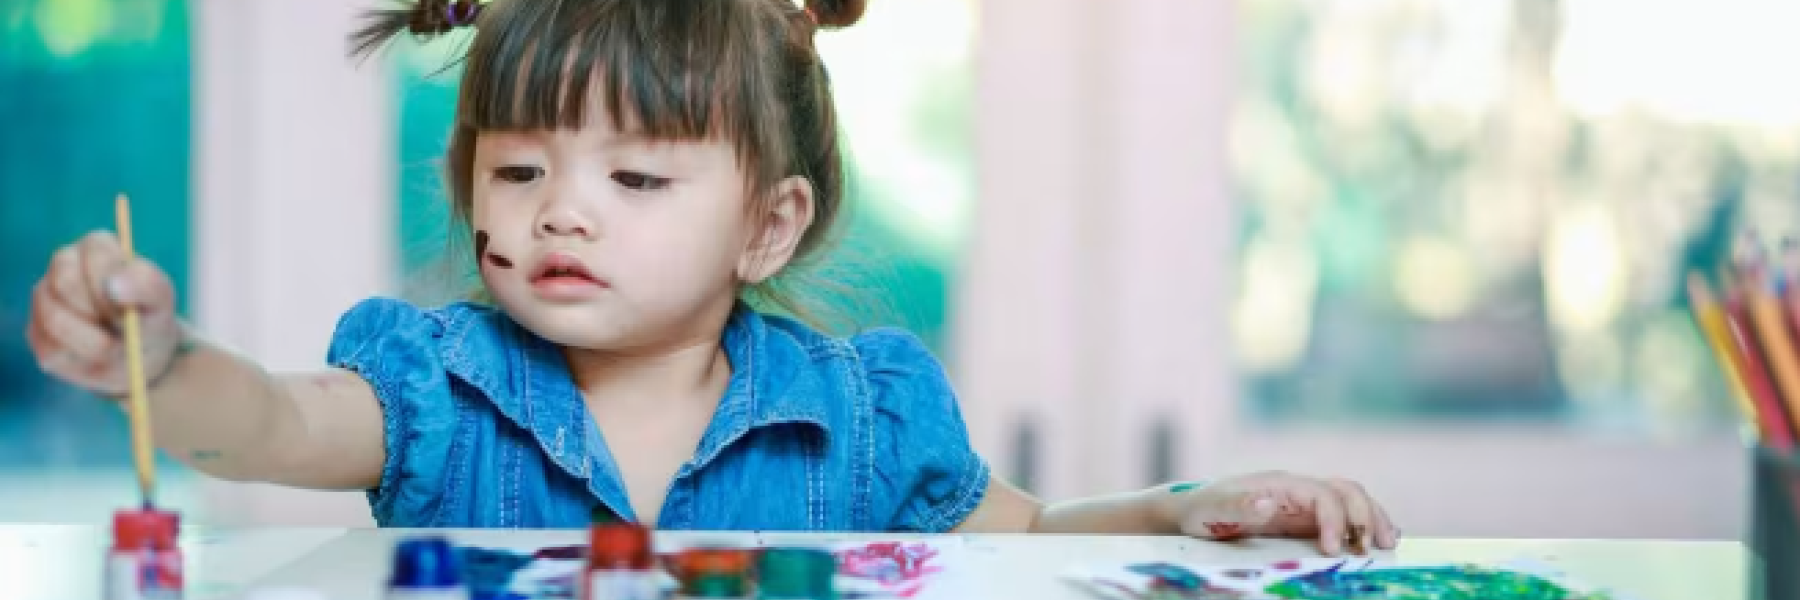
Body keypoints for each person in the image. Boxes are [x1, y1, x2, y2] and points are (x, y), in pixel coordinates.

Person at [25, 0, 1396, 554]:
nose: (563, 209)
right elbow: (267, 424)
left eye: (636, 179)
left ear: (769, 225)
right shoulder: (436, 386)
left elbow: (1029, 546)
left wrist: (1181, 510)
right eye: (520, 169)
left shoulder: (861, 419)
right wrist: (160, 362)